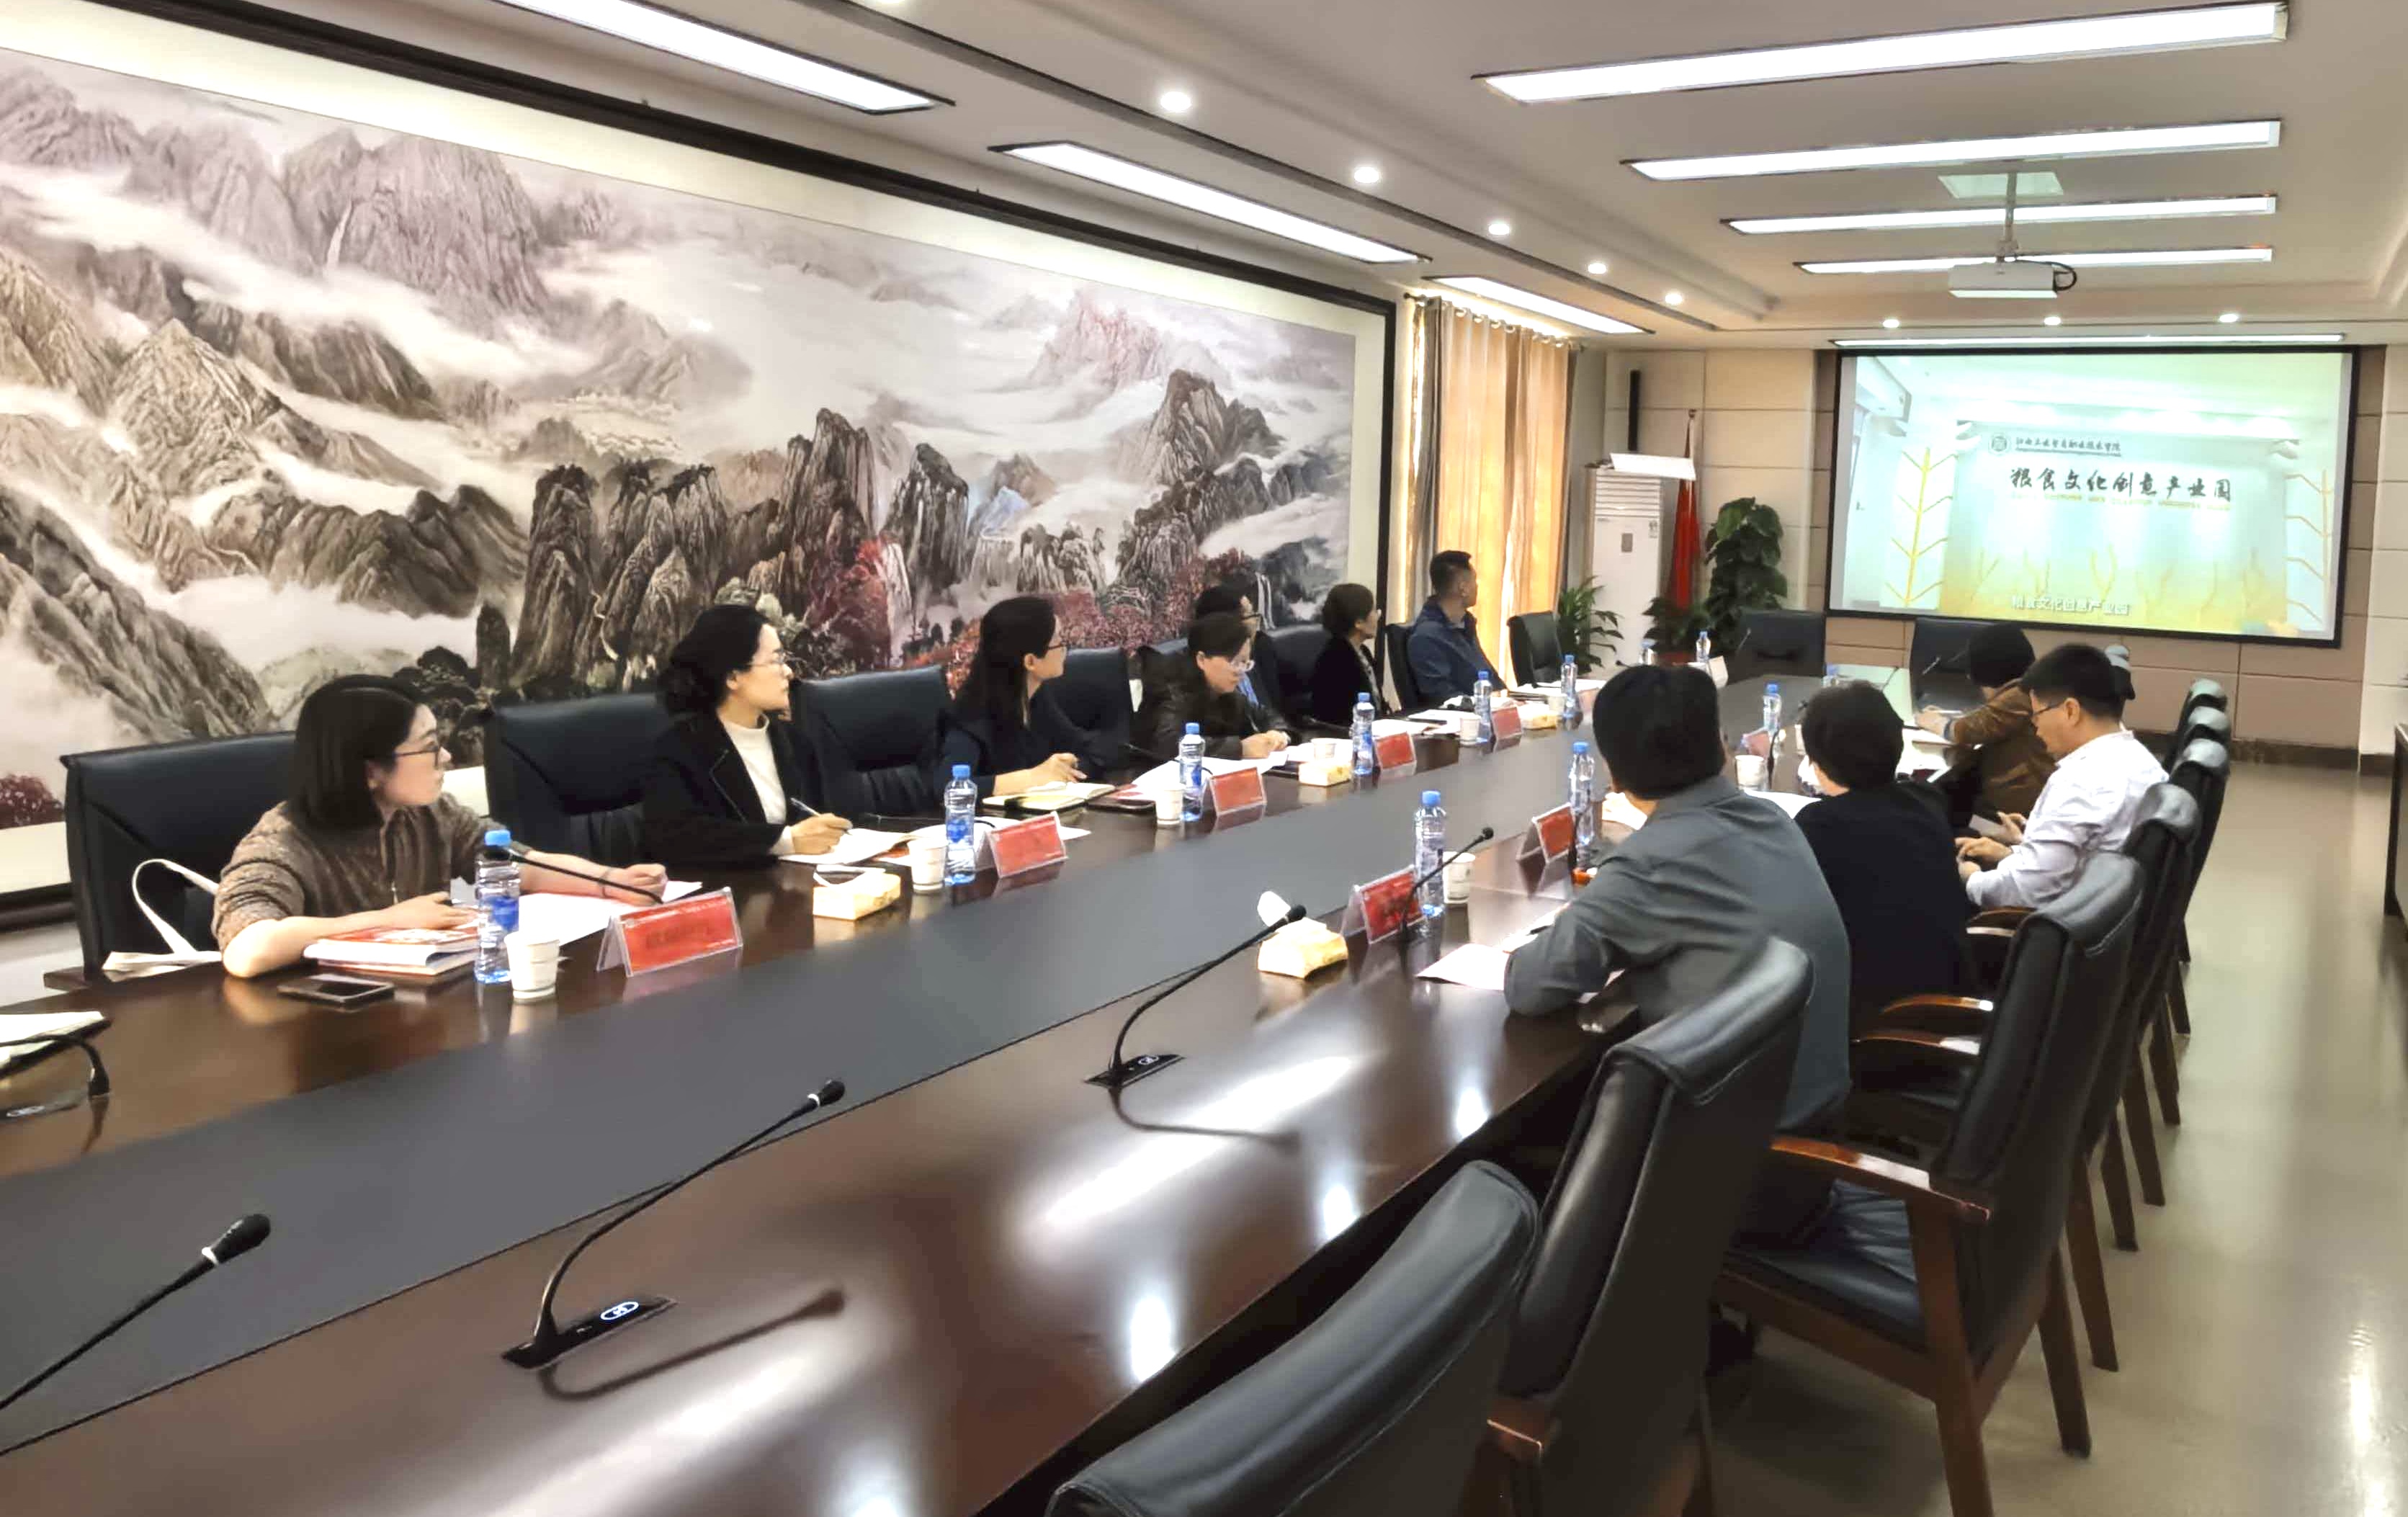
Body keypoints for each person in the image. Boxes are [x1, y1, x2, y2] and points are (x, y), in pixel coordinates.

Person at [1504, 663, 1852, 1238]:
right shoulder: (1771, 818)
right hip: (1813, 1144)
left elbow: (1529, 986)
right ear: (1720, 745)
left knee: (1507, 1154)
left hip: (1739, 1175)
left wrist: (1577, 924)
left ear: (1612, 771)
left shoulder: (1650, 863)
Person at [214, 676, 668, 978]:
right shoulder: (285, 839)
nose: (446, 758)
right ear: (370, 770)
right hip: (323, 1041)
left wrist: (611, 881)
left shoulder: (428, 814)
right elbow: (248, 949)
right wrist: (388, 922)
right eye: (430, 747)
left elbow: (518, 864)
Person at [1796, 682, 1969, 1029]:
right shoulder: (1925, 799)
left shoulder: (1820, 826)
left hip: (1887, 1028)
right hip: (1951, 998)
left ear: (1816, 764)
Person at [643, 604, 854, 869]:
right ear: (733, 677)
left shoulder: (795, 741)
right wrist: (784, 840)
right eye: (776, 660)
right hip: (730, 889)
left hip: (801, 883)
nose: (788, 671)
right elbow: (675, 839)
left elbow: (816, 818)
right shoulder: (680, 749)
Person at [1957, 643, 2166, 910]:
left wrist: (1970, 877)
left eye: (2037, 715)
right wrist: (2015, 850)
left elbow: (2024, 892)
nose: (2036, 728)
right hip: (2101, 908)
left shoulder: (2081, 782)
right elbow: (2084, 853)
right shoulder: (2142, 760)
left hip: (2053, 921)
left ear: (2070, 711)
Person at [927, 595, 1115, 800]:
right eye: (1058, 641)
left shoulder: (1036, 698)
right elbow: (949, 787)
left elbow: (1089, 747)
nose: (1065, 648)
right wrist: (1033, 777)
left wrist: (1067, 768)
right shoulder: (970, 716)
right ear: (1031, 661)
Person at [1917, 622, 2052, 821]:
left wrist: (1934, 722)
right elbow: (1989, 722)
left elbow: (1965, 731)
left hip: (2014, 810)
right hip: (2024, 799)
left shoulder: (2020, 695)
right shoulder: (2031, 689)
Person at [1134, 612, 1293, 761]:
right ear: (1202, 659)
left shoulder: (1226, 691)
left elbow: (1265, 714)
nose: (1241, 672)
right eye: (1234, 662)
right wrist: (1240, 749)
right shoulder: (1171, 689)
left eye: (1245, 663)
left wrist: (1278, 733)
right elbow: (1168, 744)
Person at [1405, 549, 1501, 704]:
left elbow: (1489, 677)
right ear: (1463, 589)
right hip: (1466, 716)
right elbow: (1443, 697)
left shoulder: (1465, 624)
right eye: (1474, 580)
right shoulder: (1426, 637)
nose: (1477, 586)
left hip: (1488, 709)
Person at [1192, 579, 1286, 719]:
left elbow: (1272, 714)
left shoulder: (1260, 647)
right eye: (1249, 615)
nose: (1256, 621)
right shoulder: (1193, 681)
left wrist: (1279, 729)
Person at [1307, 581, 1389, 727]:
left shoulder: (1363, 652)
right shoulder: (1334, 661)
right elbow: (1339, 718)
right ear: (1359, 623)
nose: (1378, 616)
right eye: (1374, 611)